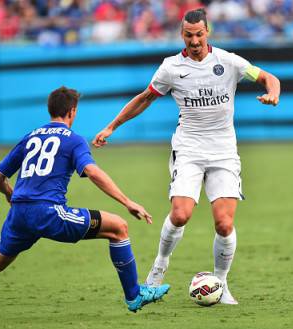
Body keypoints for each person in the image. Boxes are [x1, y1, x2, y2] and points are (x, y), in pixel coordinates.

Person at [93, 8, 280, 305]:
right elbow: (145, 98)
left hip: (223, 151)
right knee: (180, 214)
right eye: (189, 35)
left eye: (199, 34)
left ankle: (222, 283)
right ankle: (159, 265)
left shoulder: (229, 62)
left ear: (208, 33)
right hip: (189, 149)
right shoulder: (170, 67)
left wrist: (273, 92)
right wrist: (112, 126)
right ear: (182, 34)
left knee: (224, 224)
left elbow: (268, 77)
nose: (194, 41)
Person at [0, 86, 169, 323]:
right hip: (48, 212)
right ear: (72, 111)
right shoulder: (74, 140)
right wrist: (127, 201)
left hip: (19, 213)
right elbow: (92, 171)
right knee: (119, 227)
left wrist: (10, 195)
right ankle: (134, 295)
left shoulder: (31, 136)